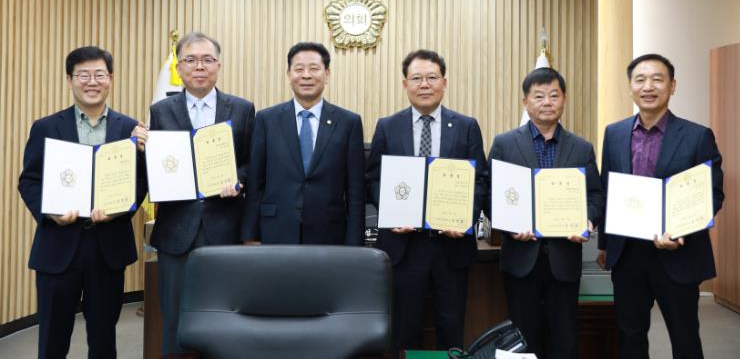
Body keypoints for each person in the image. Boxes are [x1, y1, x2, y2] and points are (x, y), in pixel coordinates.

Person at [18, 46, 147, 359]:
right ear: (70, 80)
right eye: (83, 75)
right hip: (58, 247)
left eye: (99, 75)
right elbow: (29, 181)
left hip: (108, 249)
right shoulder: (46, 127)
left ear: (110, 78)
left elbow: (140, 182)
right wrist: (51, 213)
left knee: (103, 340)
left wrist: (119, 210)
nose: (92, 82)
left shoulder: (130, 129)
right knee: (52, 340)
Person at [132, 32, 255, 357]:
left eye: (207, 60)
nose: (199, 66)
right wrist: (141, 150)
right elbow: (155, 170)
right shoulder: (160, 111)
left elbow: (251, 163)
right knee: (175, 321)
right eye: (190, 60)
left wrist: (238, 181)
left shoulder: (242, 109)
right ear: (179, 68)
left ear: (219, 65)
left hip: (225, 228)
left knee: (226, 317)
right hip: (176, 230)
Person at [598, 53, 724, 359]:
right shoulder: (614, 133)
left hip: (677, 253)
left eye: (657, 79)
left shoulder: (697, 136)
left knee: (684, 339)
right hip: (628, 254)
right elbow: (607, 189)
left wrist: (680, 231)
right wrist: (604, 245)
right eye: (640, 80)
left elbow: (712, 194)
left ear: (672, 86)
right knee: (630, 337)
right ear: (630, 86)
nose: (648, 86)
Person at [365, 49, 488, 352]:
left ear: (444, 82)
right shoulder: (387, 126)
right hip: (403, 247)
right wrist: (392, 212)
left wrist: (465, 218)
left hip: (451, 246)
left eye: (432, 77)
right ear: (404, 84)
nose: (424, 84)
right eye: (416, 78)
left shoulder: (466, 126)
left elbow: (480, 180)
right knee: (404, 331)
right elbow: (373, 178)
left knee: (451, 329)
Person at [487, 67, 604, 359]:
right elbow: (489, 194)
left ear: (564, 99)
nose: (547, 102)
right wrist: (508, 224)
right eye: (539, 96)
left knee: (564, 338)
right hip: (520, 258)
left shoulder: (581, 148)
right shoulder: (504, 144)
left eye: (554, 95)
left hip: (564, 259)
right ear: (525, 102)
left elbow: (595, 195)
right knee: (523, 339)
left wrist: (588, 220)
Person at [241, 41, 365, 245]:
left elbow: (355, 191)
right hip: (275, 232)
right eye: (299, 69)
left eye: (314, 68)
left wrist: (355, 243)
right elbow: (255, 183)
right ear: (289, 74)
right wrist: (249, 235)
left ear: (327, 74)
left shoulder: (348, 123)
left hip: (329, 234)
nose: (306, 75)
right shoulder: (266, 120)